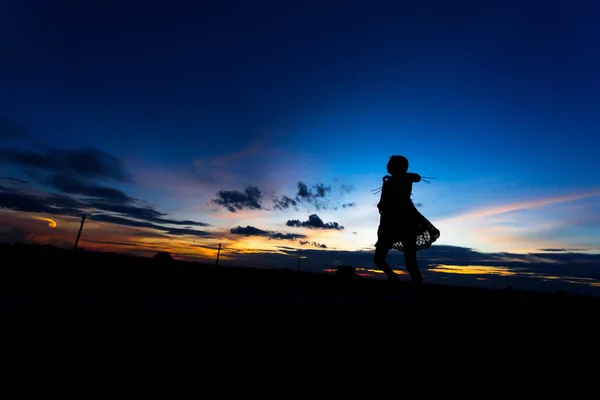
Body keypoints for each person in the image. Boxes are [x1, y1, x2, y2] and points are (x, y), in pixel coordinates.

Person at [373, 155, 440, 285]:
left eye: (390, 163)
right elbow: (382, 203)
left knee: (410, 262)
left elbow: (416, 177)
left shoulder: (405, 179)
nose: (387, 165)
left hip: (406, 224)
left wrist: (398, 177)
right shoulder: (388, 183)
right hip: (389, 224)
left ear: (398, 167)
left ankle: (417, 286)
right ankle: (393, 276)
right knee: (378, 259)